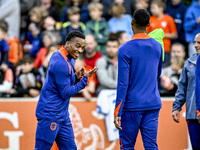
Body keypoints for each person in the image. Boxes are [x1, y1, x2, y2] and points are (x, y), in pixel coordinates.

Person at [34, 31, 98, 150]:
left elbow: (62, 82)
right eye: (77, 46)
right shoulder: (61, 63)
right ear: (68, 43)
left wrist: (76, 77)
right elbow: (65, 93)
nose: (80, 50)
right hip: (50, 114)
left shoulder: (64, 56)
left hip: (62, 115)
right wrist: (85, 80)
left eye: (82, 47)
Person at [114, 9, 162, 149]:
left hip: (132, 106)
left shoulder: (125, 49)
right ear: (148, 24)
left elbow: (123, 83)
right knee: (151, 146)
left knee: (127, 146)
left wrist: (117, 110)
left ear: (132, 23)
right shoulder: (157, 46)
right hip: (153, 104)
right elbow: (157, 74)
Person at [173, 33, 200, 150]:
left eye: (199, 42)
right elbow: (182, 87)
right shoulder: (189, 62)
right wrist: (176, 107)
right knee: (196, 146)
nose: (195, 45)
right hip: (193, 113)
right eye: (195, 42)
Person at [147, 0, 177, 65]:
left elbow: (175, 35)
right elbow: (146, 33)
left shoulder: (169, 19)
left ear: (161, 8)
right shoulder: (150, 19)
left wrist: (160, 34)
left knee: (165, 68)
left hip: (166, 49)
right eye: (151, 8)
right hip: (152, 49)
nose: (151, 10)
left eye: (153, 8)